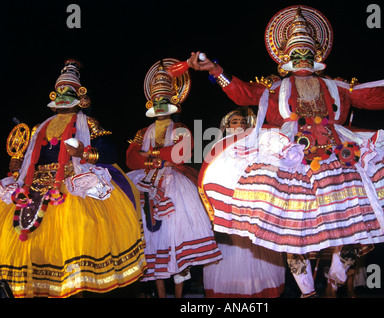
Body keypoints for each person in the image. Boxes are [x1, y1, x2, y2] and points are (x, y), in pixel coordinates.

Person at [189, 5, 384, 296]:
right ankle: (307, 291)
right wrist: (215, 70)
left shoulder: (337, 87)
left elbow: (377, 96)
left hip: (339, 158)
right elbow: (244, 92)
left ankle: (335, 282)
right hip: (293, 161)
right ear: (286, 59)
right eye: (296, 54)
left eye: (307, 54)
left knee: (355, 225)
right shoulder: (276, 90)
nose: (302, 59)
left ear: (317, 57)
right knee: (291, 231)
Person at [0, 59, 146, 298]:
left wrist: (84, 153)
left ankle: (75, 290)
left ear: (79, 96)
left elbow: (110, 151)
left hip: (70, 186)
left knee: (77, 236)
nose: (62, 97)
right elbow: (28, 159)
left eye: (68, 92)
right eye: (58, 92)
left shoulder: (88, 123)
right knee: (18, 237)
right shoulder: (39, 128)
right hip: (35, 188)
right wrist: (16, 165)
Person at [126, 58, 222, 298]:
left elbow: (180, 154)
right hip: (145, 180)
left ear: (173, 102)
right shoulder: (141, 131)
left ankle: (179, 296)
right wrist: (158, 159)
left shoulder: (181, 129)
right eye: (156, 101)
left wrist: (148, 155)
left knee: (178, 234)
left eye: (164, 101)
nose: (160, 105)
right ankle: (159, 293)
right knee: (150, 237)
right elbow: (130, 158)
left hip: (175, 184)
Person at [202, 107, 286, 298]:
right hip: (228, 208)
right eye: (234, 122)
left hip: (251, 206)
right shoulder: (219, 147)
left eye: (242, 122)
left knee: (255, 249)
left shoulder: (254, 145)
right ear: (226, 126)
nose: (239, 125)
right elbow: (209, 177)